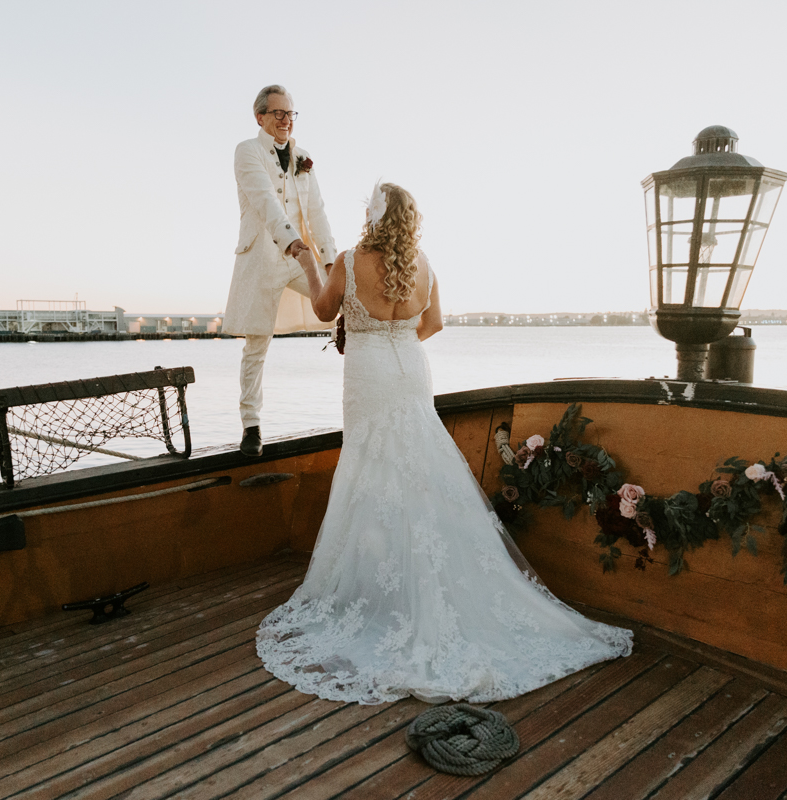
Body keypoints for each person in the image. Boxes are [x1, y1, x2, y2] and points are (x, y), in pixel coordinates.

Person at [256, 183, 633, 705]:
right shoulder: (423, 264)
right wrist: (395, 338)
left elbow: (323, 310)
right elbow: (432, 324)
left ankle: (382, 594)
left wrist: (310, 260)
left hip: (367, 375)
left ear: (373, 217)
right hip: (410, 370)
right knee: (419, 473)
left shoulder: (349, 258)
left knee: (373, 470)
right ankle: (421, 586)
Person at [222, 85, 337, 457]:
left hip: (300, 258)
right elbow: (266, 202)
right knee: (257, 345)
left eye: (291, 114)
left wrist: (331, 261)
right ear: (261, 117)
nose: (286, 120)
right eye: (279, 114)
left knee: (345, 305)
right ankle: (251, 425)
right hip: (263, 258)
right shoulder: (247, 152)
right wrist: (292, 243)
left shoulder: (303, 158)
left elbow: (317, 211)